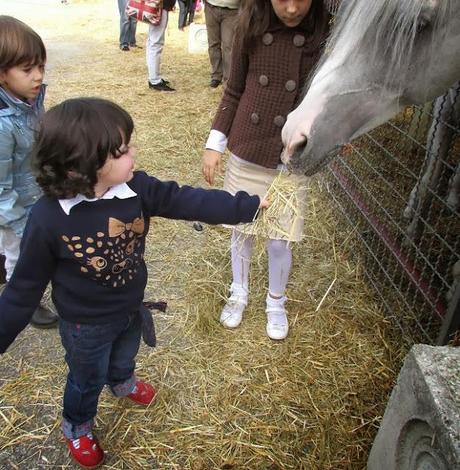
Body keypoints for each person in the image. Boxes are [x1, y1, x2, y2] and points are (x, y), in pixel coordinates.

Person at [0, 97, 267, 468]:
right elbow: (23, 289)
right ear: (87, 164)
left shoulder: (137, 189)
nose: (134, 153)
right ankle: (77, 424)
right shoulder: (48, 219)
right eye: (123, 150)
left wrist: (247, 206)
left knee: (125, 353)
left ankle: (122, 381)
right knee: (86, 378)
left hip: (129, 307)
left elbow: (190, 201)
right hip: (84, 325)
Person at [201, 0, 331, 340]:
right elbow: (234, 88)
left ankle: (276, 302)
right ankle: (239, 292)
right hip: (249, 148)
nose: (290, 8)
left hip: (290, 154)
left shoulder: (325, 32)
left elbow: (327, 97)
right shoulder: (250, 24)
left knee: (280, 240)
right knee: (241, 230)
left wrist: (332, 134)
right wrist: (215, 144)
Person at [0, 16, 58, 328]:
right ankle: (25, 298)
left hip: (32, 194)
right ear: (2, 74)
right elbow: (0, 188)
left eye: (41, 68)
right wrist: (21, 225)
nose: (37, 77)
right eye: (27, 70)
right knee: (20, 255)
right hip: (13, 208)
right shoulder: (2, 124)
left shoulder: (30, 102)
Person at [204, 0, 240, 88]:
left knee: (229, 46)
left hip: (232, 9)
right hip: (211, 6)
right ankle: (216, 75)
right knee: (213, 44)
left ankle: (229, 79)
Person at [146, 0, 176, 91]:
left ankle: (154, 78)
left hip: (159, 6)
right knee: (155, 43)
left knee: (152, 42)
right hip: (158, 6)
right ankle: (155, 80)